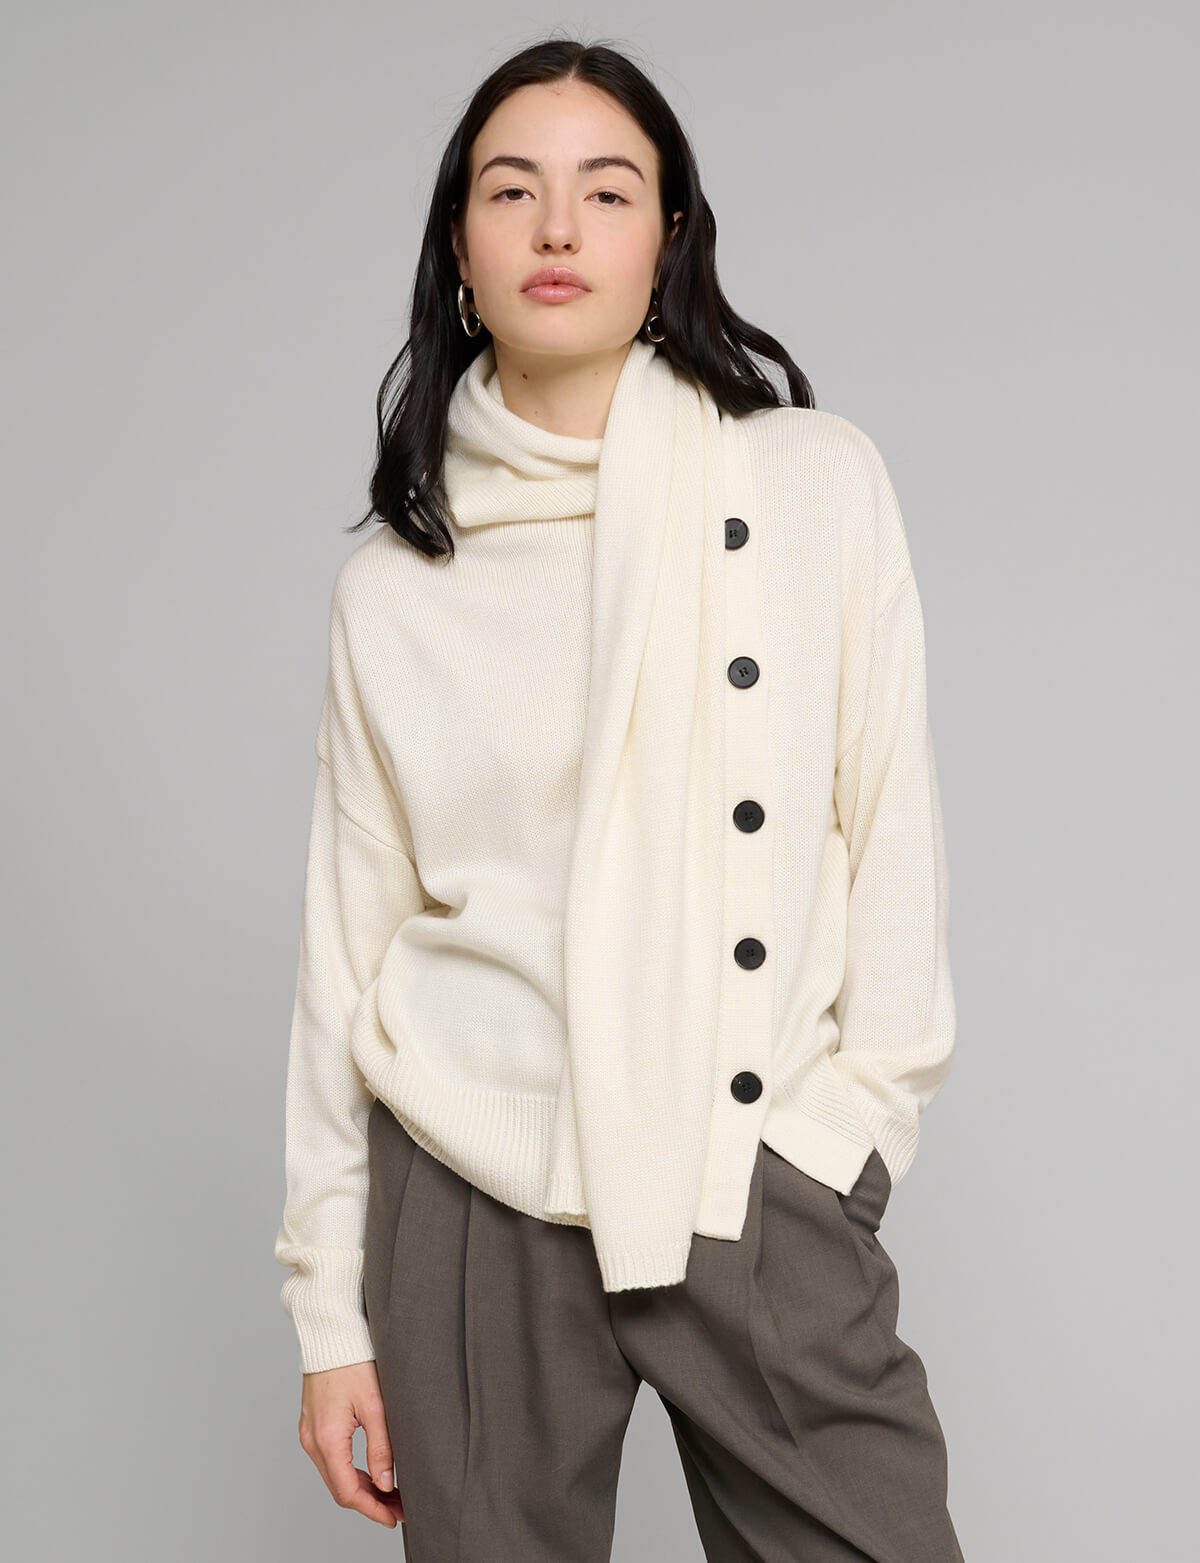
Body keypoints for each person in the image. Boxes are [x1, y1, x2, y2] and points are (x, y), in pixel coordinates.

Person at [274, 35, 966, 1563]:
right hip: (473, 1186)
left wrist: (850, 1134)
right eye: (511, 190)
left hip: (744, 1159)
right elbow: (346, 951)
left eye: (607, 190)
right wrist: (330, 1313)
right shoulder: (395, 586)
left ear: (670, 240)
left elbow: (890, 827)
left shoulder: (813, 483)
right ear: (462, 249)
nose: (558, 227)